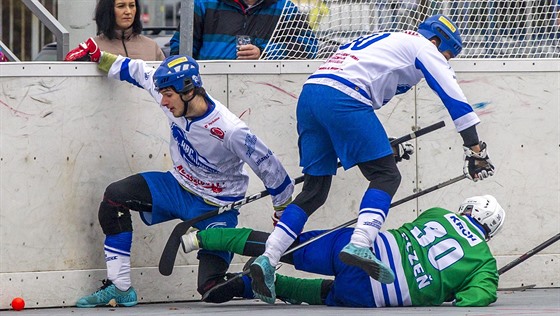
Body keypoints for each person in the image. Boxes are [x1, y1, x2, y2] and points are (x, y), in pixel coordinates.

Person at [249, 14, 497, 304]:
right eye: (447, 55)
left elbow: (356, 96)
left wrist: (380, 144)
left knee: (315, 192)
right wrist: (475, 149)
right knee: (387, 176)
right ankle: (360, 243)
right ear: (436, 40)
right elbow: (454, 98)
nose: (446, 61)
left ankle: (267, 257)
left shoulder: (390, 39)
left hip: (312, 95)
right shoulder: (425, 48)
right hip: (345, 99)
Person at [64, 38, 294, 307]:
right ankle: (120, 287)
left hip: (218, 205)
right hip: (177, 186)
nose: (163, 101)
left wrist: (282, 213)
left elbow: (272, 169)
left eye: (168, 95)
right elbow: (136, 70)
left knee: (211, 290)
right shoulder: (170, 93)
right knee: (115, 196)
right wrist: (97, 55)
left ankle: (259, 280)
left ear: (188, 91)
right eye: (162, 94)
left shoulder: (230, 130)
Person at [181, 194, 505, 307]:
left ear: (467, 210)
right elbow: (472, 299)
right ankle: (245, 286)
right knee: (321, 292)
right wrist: (447, 288)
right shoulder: (485, 265)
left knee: (286, 246)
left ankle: (200, 239)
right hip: (373, 295)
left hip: (367, 248)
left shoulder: (439, 214)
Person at [169, 0, 318, 60]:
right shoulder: (204, 4)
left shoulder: (284, 8)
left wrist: (265, 53)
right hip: (208, 92)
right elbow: (180, 46)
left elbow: (309, 47)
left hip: (264, 92)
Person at [92, 0, 165, 61]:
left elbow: (165, 76)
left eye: (132, 5)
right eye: (121, 6)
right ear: (107, 10)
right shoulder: (93, 48)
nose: (128, 12)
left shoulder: (151, 46)